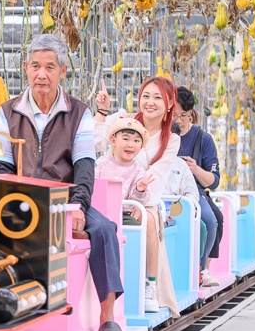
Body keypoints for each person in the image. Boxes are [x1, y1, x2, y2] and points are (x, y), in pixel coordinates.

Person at [0, 34, 128, 331]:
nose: (42, 74)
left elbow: (84, 166)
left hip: (66, 200)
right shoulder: (6, 112)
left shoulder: (79, 113)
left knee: (104, 229)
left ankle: (108, 318)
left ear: (63, 70)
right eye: (35, 66)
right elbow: (2, 169)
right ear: (25, 68)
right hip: (21, 200)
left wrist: (79, 206)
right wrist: (12, 207)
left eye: (50, 67)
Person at [93, 76, 181, 317]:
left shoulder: (171, 140)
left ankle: (149, 285)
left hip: (143, 200)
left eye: (157, 98)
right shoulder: (124, 121)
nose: (149, 102)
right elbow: (97, 141)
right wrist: (102, 111)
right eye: (145, 96)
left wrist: (137, 195)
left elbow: (155, 175)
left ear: (170, 104)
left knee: (149, 219)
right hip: (110, 199)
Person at [94, 117, 161, 312]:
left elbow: (137, 203)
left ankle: (149, 284)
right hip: (101, 212)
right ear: (113, 140)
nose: (131, 144)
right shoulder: (101, 164)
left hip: (123, 214)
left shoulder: (138, 170)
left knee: (143, 224)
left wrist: (140, 189)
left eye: (136, 141)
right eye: (126, 138)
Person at [172, 87, 222, 287]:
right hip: (164, 189)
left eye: (184, 115)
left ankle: (200, 269)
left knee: (210, 219)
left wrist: (194, 169)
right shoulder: (159, 134)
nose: (179, 120)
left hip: (193, 190)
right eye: (174, 115)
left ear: (191, 114)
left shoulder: (203, 138)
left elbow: (214, 180)